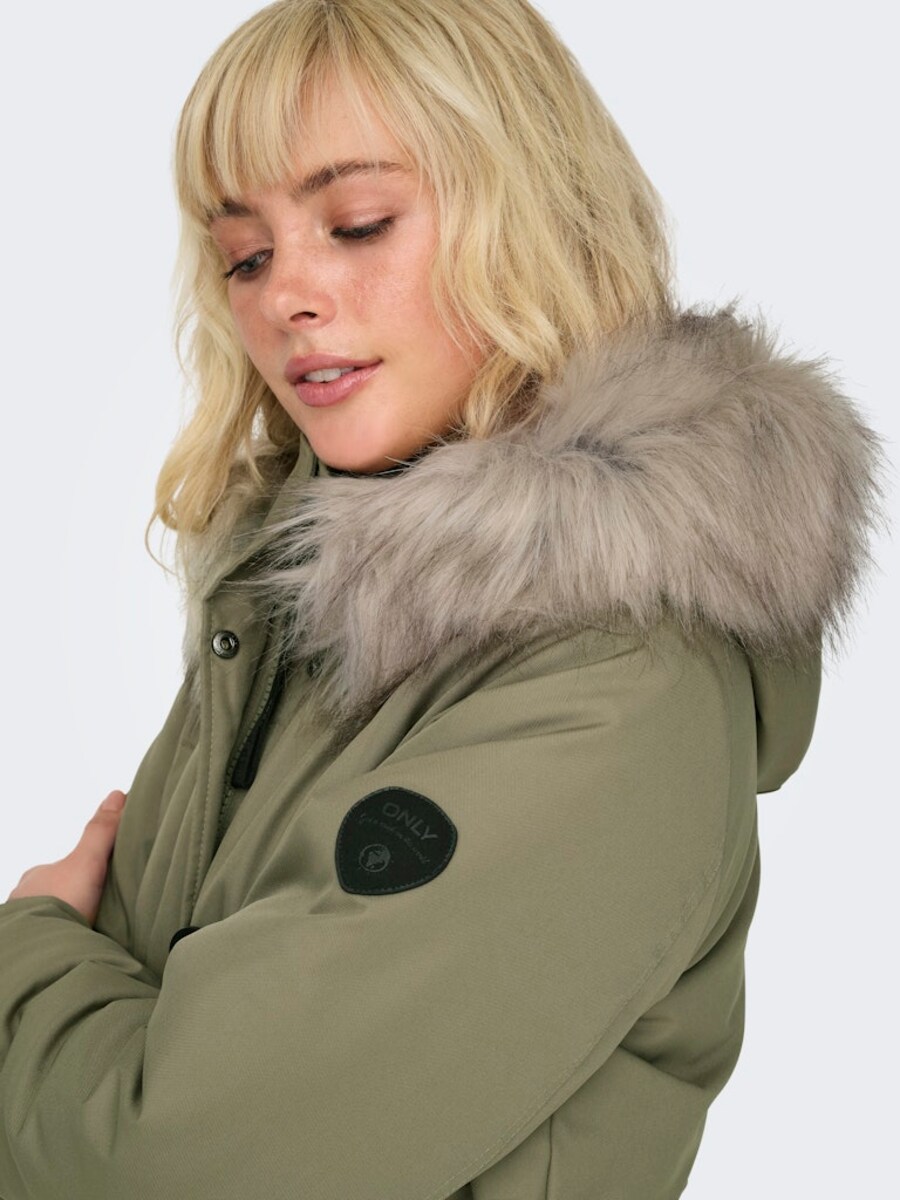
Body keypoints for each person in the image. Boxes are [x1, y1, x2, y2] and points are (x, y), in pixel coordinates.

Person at [0, 0, 885, 1196]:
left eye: (357, 224)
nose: (284, 295)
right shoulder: (293, 606)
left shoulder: (614, 680)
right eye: (246, 255)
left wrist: (29, 960)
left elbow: (176, 1163)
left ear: (535, 209)